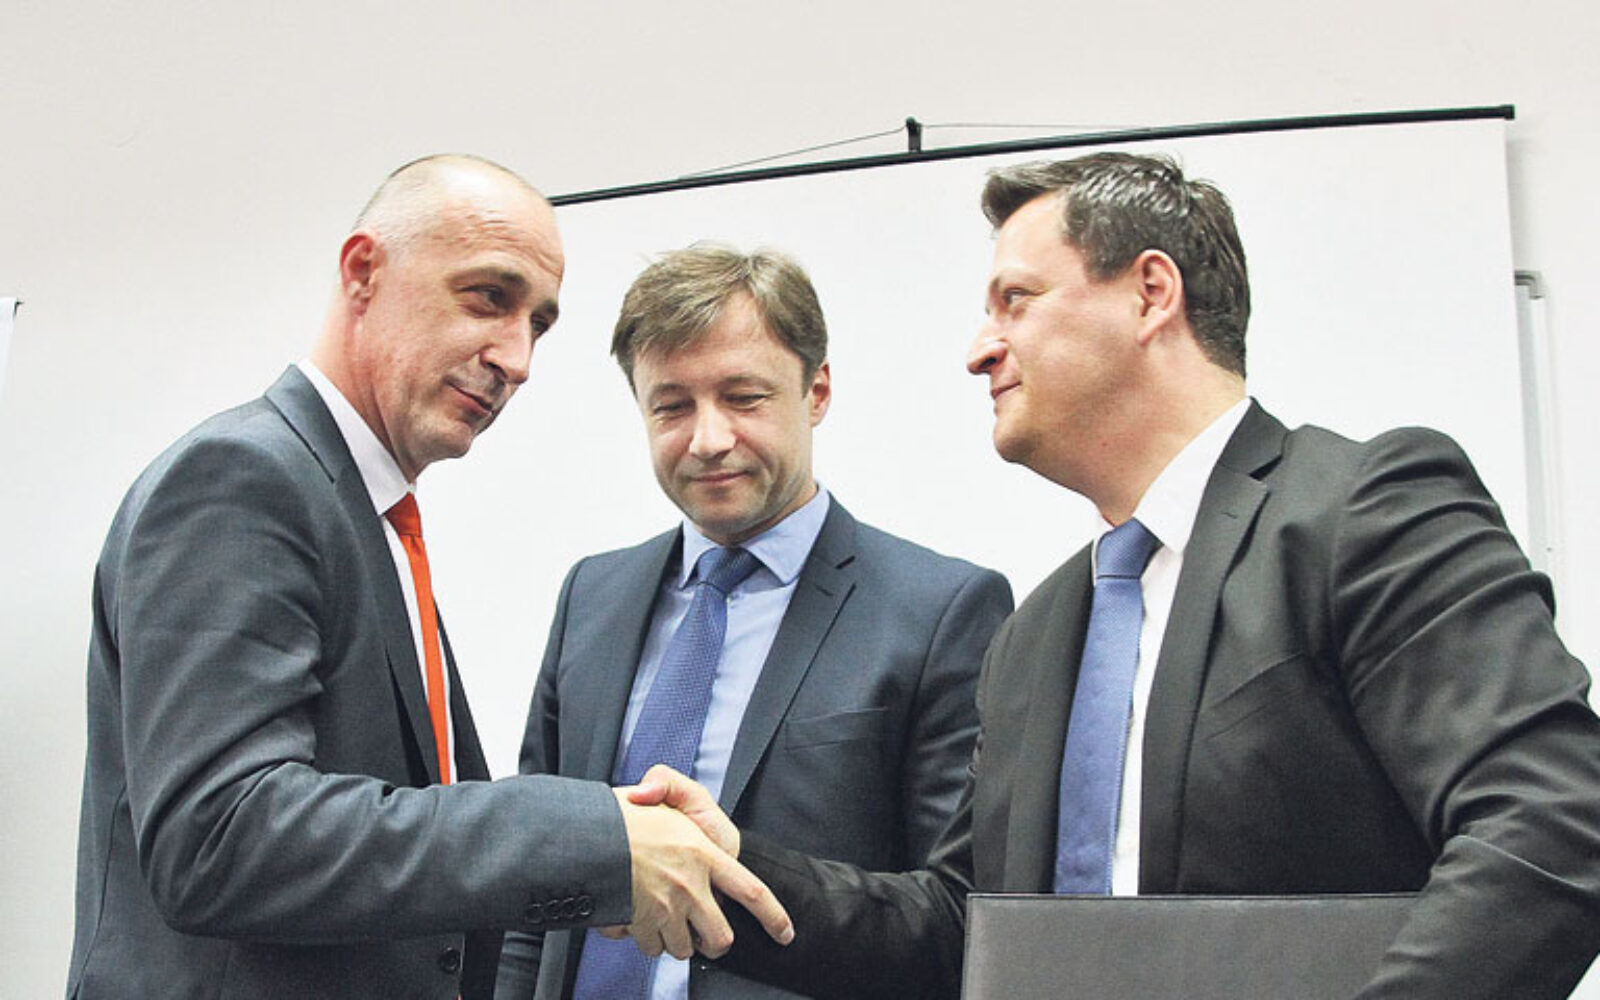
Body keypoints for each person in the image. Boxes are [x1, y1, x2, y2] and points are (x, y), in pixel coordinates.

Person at [644, 152, 1600, 998]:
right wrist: (731, 864)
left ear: (1150, 293)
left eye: (1016, 300)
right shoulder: (1037, 632)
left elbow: (1553, 821)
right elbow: (963, 931)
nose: (980, 349)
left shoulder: (1363, 511)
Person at [67, 155, 790, 1000]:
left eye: (539, 324)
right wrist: (597, 838)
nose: (517, 358)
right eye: (487, 297)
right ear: (362, 273)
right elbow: (219, 838)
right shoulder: (243, 479)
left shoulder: (365, 512)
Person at [493, 244, 1013, 1000]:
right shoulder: (592, 597)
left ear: (816, 392)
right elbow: (534, 874)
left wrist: (732, 868)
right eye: (672, 406)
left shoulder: (942, 612)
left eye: (743, 398)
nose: (708, 440)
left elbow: (956, 922)